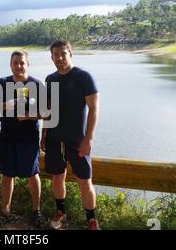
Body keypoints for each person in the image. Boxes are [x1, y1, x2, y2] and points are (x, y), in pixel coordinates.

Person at [41, 40, 100, 230]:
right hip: (54, 139)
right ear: (51, 57)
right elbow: (48, 109)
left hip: (77, 140)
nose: (59, 58)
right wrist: (44, 134)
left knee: (84, 181)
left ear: (70, 54)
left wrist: (88, 138)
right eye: (55, 55)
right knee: (57, 177)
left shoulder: (84, 77)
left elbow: (94, 109)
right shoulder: (50, 79)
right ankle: (61, 212)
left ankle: (91, 219)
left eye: (62, 54)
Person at [0, 51, 45, 229]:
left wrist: (30, 116)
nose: (19, 66)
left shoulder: (36, 84)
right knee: (7, 176)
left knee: (33, 174)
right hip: (7, 137)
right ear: (11, 65)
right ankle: (5, 212)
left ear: (27, 64)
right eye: (15, 63)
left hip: (29, 138)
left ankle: (36, 211)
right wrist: (12, 102)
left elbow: (46, 113)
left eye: (22, 63)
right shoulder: (2, 82)